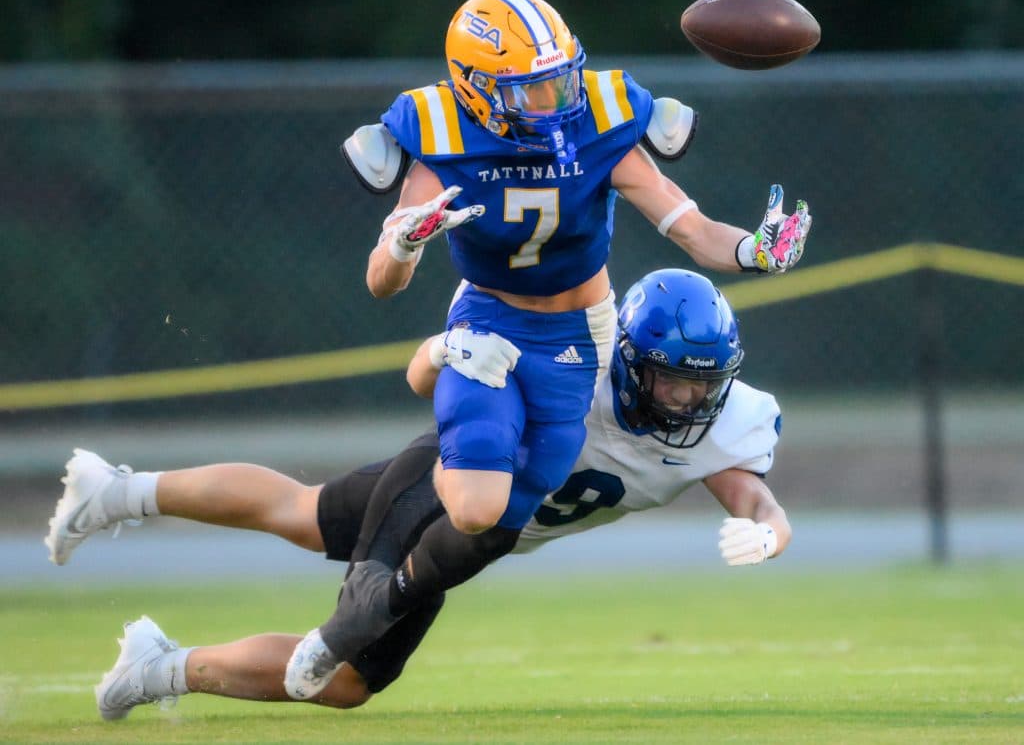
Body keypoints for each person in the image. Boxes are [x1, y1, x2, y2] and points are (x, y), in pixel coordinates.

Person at [325, 0, 811, 681]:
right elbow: (381, 281)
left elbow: (695, 229)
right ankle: (379, 551)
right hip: (490, 318)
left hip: (580, 330)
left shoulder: (600, 118)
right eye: (529, 88)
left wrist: (753, 251)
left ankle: (380, 580)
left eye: (559, 79)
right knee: (403, 506)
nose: (554, 100)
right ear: (474, 88)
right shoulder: (438, 129)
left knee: (493, 506)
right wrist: (403, 244)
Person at [46, 269, 792, 719]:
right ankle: (157, 665)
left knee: (302, 512)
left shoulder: (729, 422)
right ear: (627, 360)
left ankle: (114, 493)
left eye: (704, 384)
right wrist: (443, 348)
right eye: (672, 380)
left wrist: (769, 532)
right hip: (451, 489)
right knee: (348, 680)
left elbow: (756, 501)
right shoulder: (576, 356)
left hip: (479, 523)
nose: (689, 400)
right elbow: (429, 375)